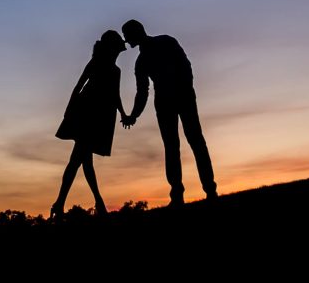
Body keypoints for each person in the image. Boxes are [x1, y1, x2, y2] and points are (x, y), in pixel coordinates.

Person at [120, 19, 217, 206]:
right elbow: (142, 92)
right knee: (173, 147)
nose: (126, 40)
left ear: (136, 32)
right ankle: (178, 195)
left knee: (195, 141)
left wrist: (185, 90)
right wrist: (134, 115)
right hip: (165, 103)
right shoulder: (141, 62)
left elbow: (185, 67)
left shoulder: (165, 42)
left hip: (182, 97)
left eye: (127, 35)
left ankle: (210, 189)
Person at [52, 30, 129, 217]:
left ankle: (65, 203)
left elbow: (115, 95)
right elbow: (78, 86)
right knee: (79, 158)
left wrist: (124, 114)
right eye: (117, 49)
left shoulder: (116, 71)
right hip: (86, 113)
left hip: (100, 116)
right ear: (112, 49)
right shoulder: (96, 63)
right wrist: (69, 110)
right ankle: (75, 203)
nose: (119, 52)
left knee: (83, 160)